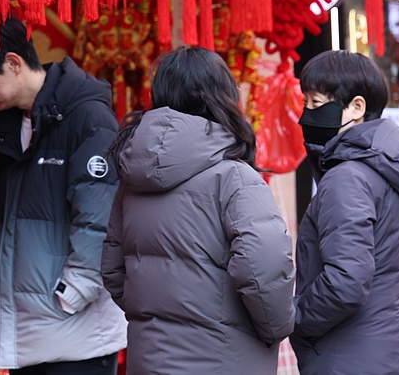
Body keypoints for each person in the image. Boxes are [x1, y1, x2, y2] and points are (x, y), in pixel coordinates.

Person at [100, 47, 295, 375]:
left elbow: (113, 270)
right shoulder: (235, 177)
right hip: (225, 356)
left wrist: (154, 317)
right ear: (223, 95)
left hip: (150, 357)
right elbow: (265, 268)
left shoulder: (131, 181)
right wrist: (276, 329)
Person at [0, 17, 126, 375]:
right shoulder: (12, 126)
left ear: (14, 63)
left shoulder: (87, 117)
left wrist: (74, 292)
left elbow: (100, 215)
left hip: (74, 334)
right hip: (28, 329)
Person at [292, 50, 399, 375]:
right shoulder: (389, 168)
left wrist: (294, 317)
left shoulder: (348, 176)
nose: (305, 115)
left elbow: (346, 282)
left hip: (353, 355)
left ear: (356, 107)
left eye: (316, 103)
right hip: (398, 347)